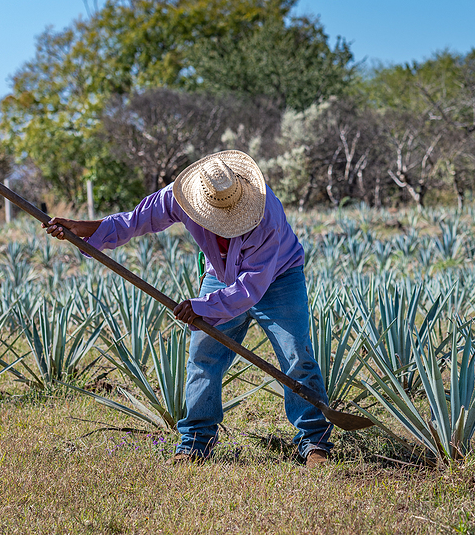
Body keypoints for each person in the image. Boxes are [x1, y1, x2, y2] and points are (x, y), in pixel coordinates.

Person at [43, 150, 333, 467]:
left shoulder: (266, 217)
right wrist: (88, 229)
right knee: (202, 356)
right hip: (221, 275)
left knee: (295, 354)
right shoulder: (183, 196)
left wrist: (202, 308)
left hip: (278, 277)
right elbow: (138, 219)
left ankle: (314, 441)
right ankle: (195, 442)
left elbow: (251, 287)